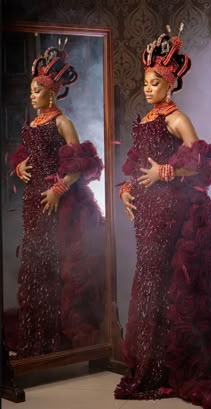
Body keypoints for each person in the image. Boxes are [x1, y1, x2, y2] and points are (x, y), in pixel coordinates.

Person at [115, 26, 211, 409]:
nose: (147, 88)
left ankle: (154, 369)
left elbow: (203, 164)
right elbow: (136, 166)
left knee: (154, 279)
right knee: (151, 281)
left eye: (154, 82)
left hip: (168, 209)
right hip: (147, 210)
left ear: (169, 83)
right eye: (145, 82)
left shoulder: (176, 118)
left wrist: (164, 173)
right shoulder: (150, 118)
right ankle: (154, 365)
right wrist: (126, 190)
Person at [10, 45, 105, 358]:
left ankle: (57, 341)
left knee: (55, 266)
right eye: (31, 90)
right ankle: (37, 338)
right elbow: (27, 153)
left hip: (57, 205)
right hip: (33, 204)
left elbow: (79, 164)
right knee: (36, 267)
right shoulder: (35, 123)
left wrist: (57, 190)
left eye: (37, 90)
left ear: (51, 94)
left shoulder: (61, 122)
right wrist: (19, 165)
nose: (32, 95)